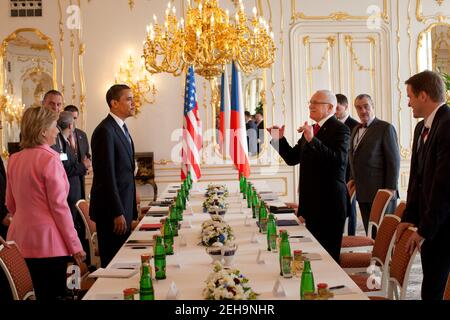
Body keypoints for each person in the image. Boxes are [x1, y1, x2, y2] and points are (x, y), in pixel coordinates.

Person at [6, 107, 85, 300]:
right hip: (49, 244)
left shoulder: (14, 159)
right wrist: (75, 245)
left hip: (19, 241)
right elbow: (59, 208)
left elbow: (10, 204)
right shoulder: (50, 159)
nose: (57, 131)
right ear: (43, 130)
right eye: (54, 126)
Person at [268, 90, 350, 262]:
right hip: (312, 204)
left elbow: (338, 161)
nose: (311, 105)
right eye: (310, 102)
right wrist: (278, 139)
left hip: (330, 205)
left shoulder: (341, 129)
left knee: (328, 259)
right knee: (314, 256)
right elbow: (292, 158)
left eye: (315, 102)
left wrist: (313, 140)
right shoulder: (312, 129)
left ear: (329, 107)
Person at [396, 70, 450, 300]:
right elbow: (417, 179)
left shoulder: (448, 124)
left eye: (410, 97)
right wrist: (409, 217)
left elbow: (444, 185)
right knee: (431, 284)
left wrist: (424, 229)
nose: (408, 103)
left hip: (445, 223)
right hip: (430, 221)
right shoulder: (422, 128)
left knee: (434, 288)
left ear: (424, 96)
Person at [89, 84, 138, 268]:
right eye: (129, 99)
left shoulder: (121, 128)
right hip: (111, 213)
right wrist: (117, 211)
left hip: (122, 206)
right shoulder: (105, 130)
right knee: (113, 265)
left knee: (122, 261)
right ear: (114, 103)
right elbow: (105, 175)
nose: (133, 103)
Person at [349, 94, 400, 236]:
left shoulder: (385, 128)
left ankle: (388, 259)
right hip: (363, 191)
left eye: (366, 106)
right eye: (359, 108)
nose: (363, 111)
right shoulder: (355, 130)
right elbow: (354, 157)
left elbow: (393, 161)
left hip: (382, 192)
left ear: (372, 106)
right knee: (370, 233)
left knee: (384, 234)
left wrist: (390, 189)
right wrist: (353, 179)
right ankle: (374, 256)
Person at [57, 111, 92, 261]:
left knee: (77, 225)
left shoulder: (66, 140)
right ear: (71, 125)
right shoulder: (59, 142)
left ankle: (81, 261)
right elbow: (66, 168)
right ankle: (76, 263)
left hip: (76, 190)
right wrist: (83, 166)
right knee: (72, 226)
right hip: (68, 193)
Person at [336, 93, 360, 236]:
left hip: (350, 174)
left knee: (350, 209)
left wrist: (352, 177)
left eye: (337, 108)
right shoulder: (332, 125)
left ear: (345, 106)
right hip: (338, 173)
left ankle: (351, 236)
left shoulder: (355, 125)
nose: (335, 112)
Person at [64, 105, 91, 199]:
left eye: (75, 118)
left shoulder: (82, 135)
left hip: (81, 181)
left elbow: (86, 154)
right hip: (66, 184)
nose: (73, 121)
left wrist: (88, 162)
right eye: (71, 118)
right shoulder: (58, 137)